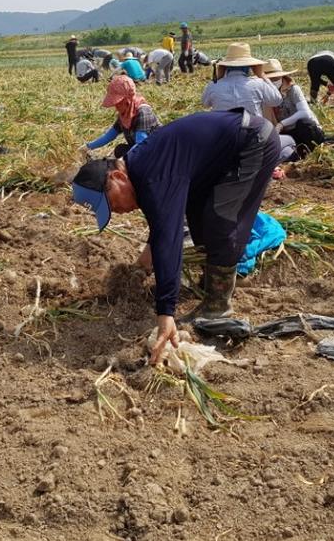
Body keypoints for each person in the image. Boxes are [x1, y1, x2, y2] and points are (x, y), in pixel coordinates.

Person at [71, 110, 280, 362]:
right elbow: (160, 228)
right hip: (222, 155)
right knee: (200, 219)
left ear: (117, 176)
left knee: (221, 222)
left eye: (111, 203)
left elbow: (168, 240)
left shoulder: (153, 176)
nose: (116, 211)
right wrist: (141, 266)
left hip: (253, 143)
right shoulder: (140, 172)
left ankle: (217, 307)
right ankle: (212, 283)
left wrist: (165, 312)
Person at [82, 75, 161, 159]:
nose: (116, 106)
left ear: (127, 99)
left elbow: (140, 145)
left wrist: (120, 162)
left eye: (118, 102)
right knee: (119, 149)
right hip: (139, 150)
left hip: (153, 152)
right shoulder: (124, 114)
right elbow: (109, 135)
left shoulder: (143, 112)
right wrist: (88, 147)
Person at [264, 59, 324, 159]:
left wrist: (281, 124)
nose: (273, 81)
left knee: (305, 123)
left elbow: (305, 112)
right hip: (287, 133)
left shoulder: (293, 89)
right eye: (270, 78)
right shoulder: (264, 92)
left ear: (281, 76)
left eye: (276, 78)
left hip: (304, 130)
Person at [201, 42, 281, 117]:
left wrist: (218, 78)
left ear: (225, 67)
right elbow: (276, 100)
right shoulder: (258, 84)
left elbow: (205, 104)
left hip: (223, 129)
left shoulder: (214, 86)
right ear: (250, 66)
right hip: (251, 130)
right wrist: (262, 75)